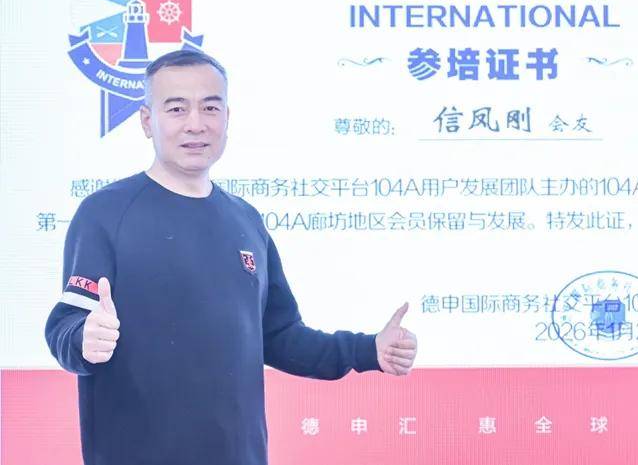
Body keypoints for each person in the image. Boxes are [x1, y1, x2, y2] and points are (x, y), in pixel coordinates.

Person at [44, 50, 418, 465]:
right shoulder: (105, 213)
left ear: (227, 118)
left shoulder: (246, 221)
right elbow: (65, 325)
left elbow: (280, 336)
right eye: (176, 108)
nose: (196, 123)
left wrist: (368, 350)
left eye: (210, 107)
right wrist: (83, 338)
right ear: (147, 121)